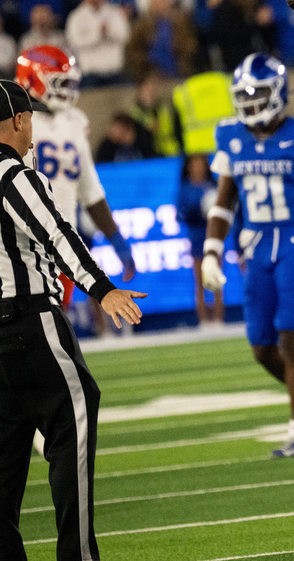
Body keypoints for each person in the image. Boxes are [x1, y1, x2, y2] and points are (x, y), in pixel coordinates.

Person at [0, 78, 145, 561]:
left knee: (3, 477)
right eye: (29, 121)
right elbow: (57, 231)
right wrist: (101, 289)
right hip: (31, 324)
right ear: (18, 120)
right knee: (74, 426)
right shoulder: (14, 175)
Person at [200, 52, 294, 459]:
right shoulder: (231, 136)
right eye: (244, 95)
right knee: (261, 346)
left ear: (278, 94)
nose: (250, 103)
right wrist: (210, 254)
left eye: (259, 94)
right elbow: (222, 204)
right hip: (255, 244)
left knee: (291, 339)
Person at [15, 45, 137, 309]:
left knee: (56, 327)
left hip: (63, 246)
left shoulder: (74, 122)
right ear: (32, 79)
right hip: (20, 244)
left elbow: (90, 190)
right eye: (60, 83)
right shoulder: (14, 120)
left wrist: (117, 240)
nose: (67, 90)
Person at [178, 152, 223, 326]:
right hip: (196, 236)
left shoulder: (212, 186)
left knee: (216, 277)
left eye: (201, 164)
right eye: (194, 165)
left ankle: (219, 319)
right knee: (200, 279)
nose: (197, 168)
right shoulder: (186, 188)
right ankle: (203, 320)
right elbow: (180, 213)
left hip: (213, 235)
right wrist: (196, 211)